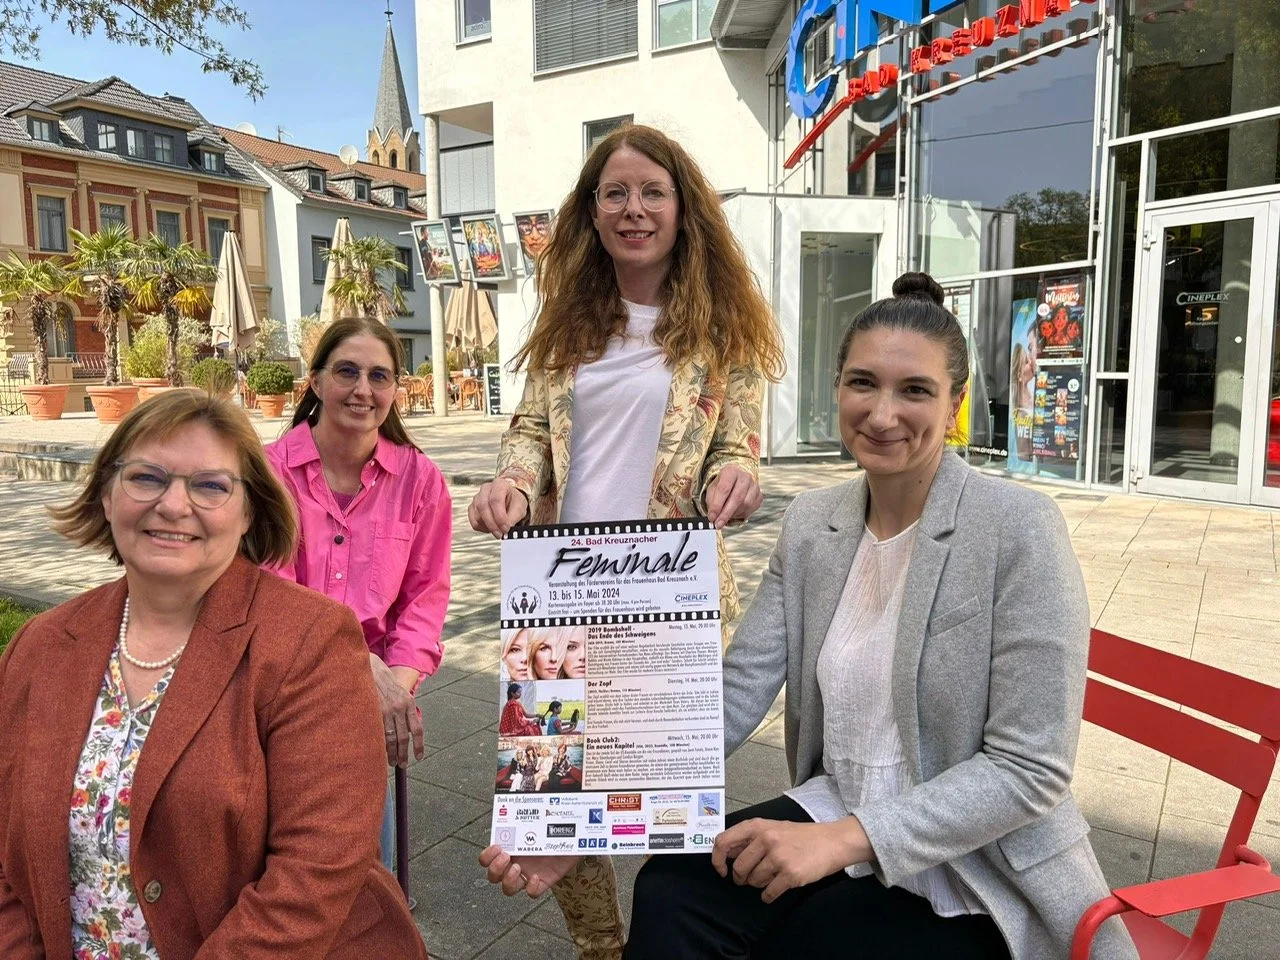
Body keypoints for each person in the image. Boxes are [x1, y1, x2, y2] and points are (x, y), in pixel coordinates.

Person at [620, 274, 1136, 959]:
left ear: (954, 404)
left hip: (978, 862)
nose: (883, 414)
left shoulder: (1017, 528)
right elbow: (739, 687)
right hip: (844, 802)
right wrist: (587, 807)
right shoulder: (813, 523)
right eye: (863, 383)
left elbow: (1030, 768)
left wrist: (842, 840)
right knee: (670, 888)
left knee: (805, 943)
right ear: (837, 388)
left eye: (915, 390)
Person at [472, 122, 785, 959]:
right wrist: (512, 484)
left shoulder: (724, 332)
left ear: (684, 210)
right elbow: (529, 431)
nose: (633, 209)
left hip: (663, 595)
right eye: (615, 193)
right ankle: (601, 949)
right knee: (555, 796)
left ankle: (664, 943)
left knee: (660, 799)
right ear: (592, 212)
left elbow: (736, 444)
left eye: (652, 192)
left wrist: (739, 475)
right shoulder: (567, 325)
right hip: (562, 590)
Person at [0, 390, 428, 960]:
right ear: (106, 493)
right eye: (146, 477)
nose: (173, 505)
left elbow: (317, 869)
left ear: (248, 511)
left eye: (209, 486)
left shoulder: (311, 641)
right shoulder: (41, 646)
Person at [266, 316, 452, 874]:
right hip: (282, 684)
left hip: (375, 698)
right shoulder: (270, 473)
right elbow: (271, 595)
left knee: (366, 869)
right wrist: (357, 667)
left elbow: (425, 600)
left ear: (396, 390)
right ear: (316, 381)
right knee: (282, 854)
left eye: (379, 376)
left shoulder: (421, 480)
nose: (363, 390)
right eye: (347, 371)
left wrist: (395, 687)